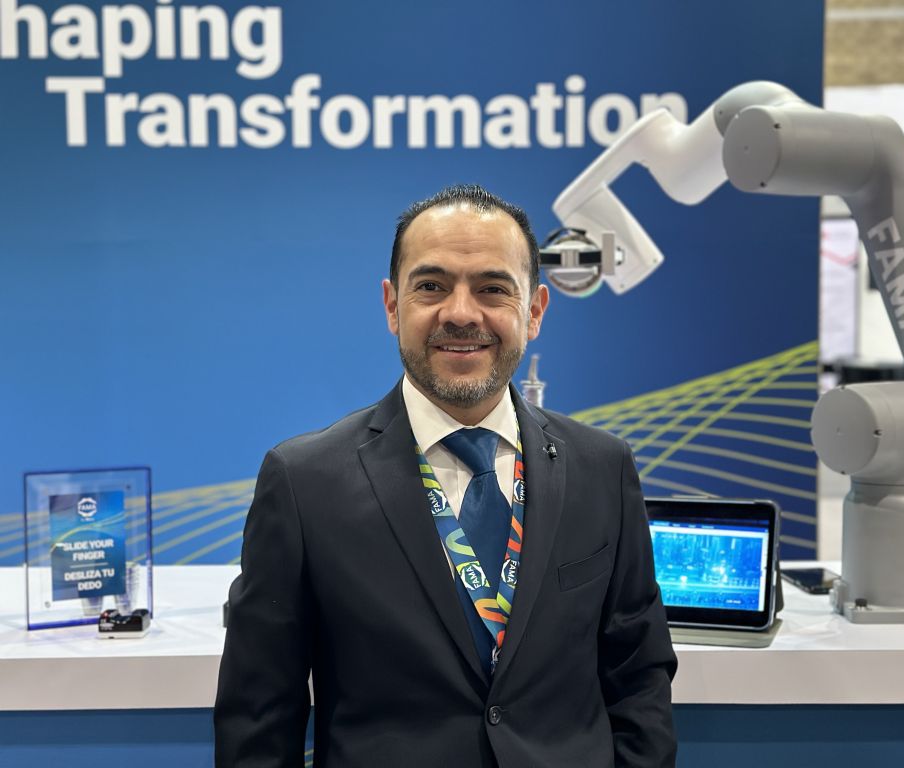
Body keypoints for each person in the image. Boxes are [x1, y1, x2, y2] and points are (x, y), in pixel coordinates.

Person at [214, 184, 677, 767]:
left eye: (492, 288)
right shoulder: (304, 483)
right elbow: (259, 714)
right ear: (392, 305)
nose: (461, 314)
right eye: (431, 286)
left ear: (534, 311)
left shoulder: (602, 467)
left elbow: (638, 674)